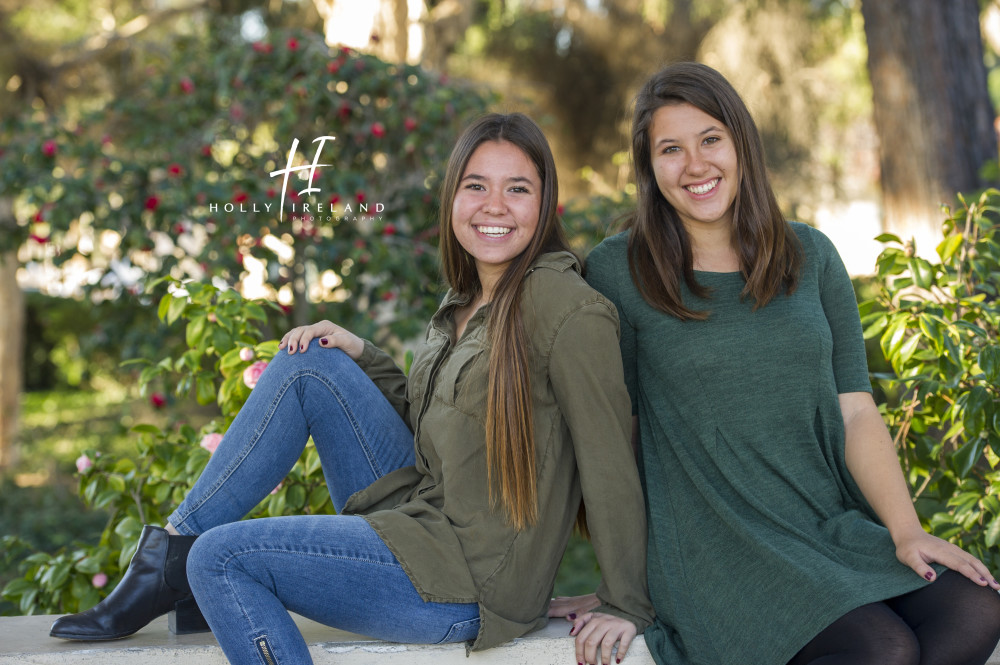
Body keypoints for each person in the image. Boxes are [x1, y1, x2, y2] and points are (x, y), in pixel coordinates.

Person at [49, 112, 654, 665]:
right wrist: (364, 353)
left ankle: (175, 565)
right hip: (420, 521)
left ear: (546, 205)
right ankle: (172, 549)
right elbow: (436, 425)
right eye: (476, 185)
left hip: (463, 582)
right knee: (311, 361)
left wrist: (623, 602)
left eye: (517, 188)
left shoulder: (567, 310)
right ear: (451, 199)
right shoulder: (467, 300)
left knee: (221, 558)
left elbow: (608, 461)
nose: (494, 205)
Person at [550, 62, 1000, 665]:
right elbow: (614, 442)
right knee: (881, 649)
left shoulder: (810, 255)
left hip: (825, 525)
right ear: (650, 168)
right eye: (670, 149)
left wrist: (906, 530)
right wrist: (623, 589)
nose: (696, 165)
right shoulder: (619, 270)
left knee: (974, 608)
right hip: (715, 542)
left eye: (711, 139)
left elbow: (857, 410)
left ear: (741, 143)